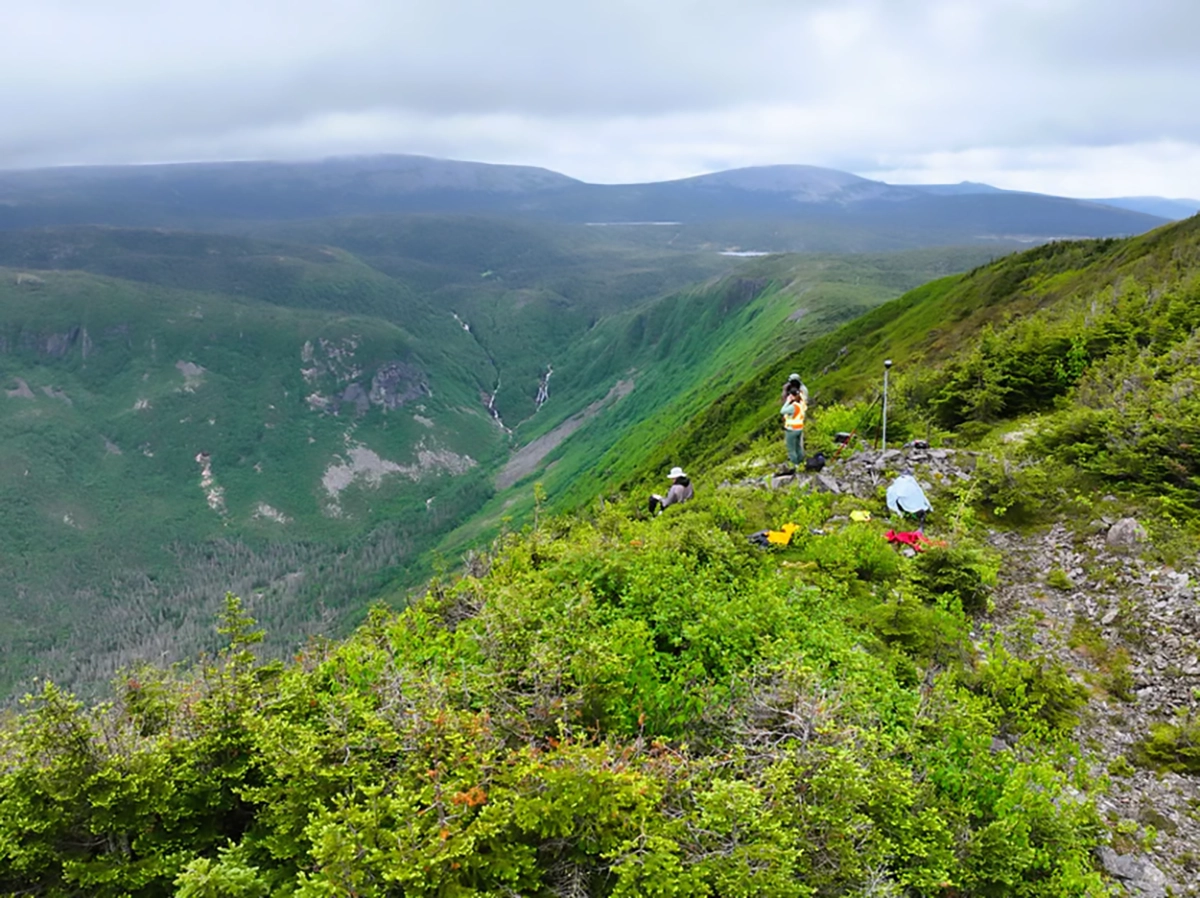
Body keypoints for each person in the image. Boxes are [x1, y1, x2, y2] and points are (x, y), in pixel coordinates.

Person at [780, 383, 807, 469]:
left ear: (792, 396)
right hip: (799, 428)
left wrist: (787, 401)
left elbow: (782, 411)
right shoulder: (801, 405)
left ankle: (795, 466)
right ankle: (801, 463)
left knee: (791, 449)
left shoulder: (793, 406)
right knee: (798, 447)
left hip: (791, 430)